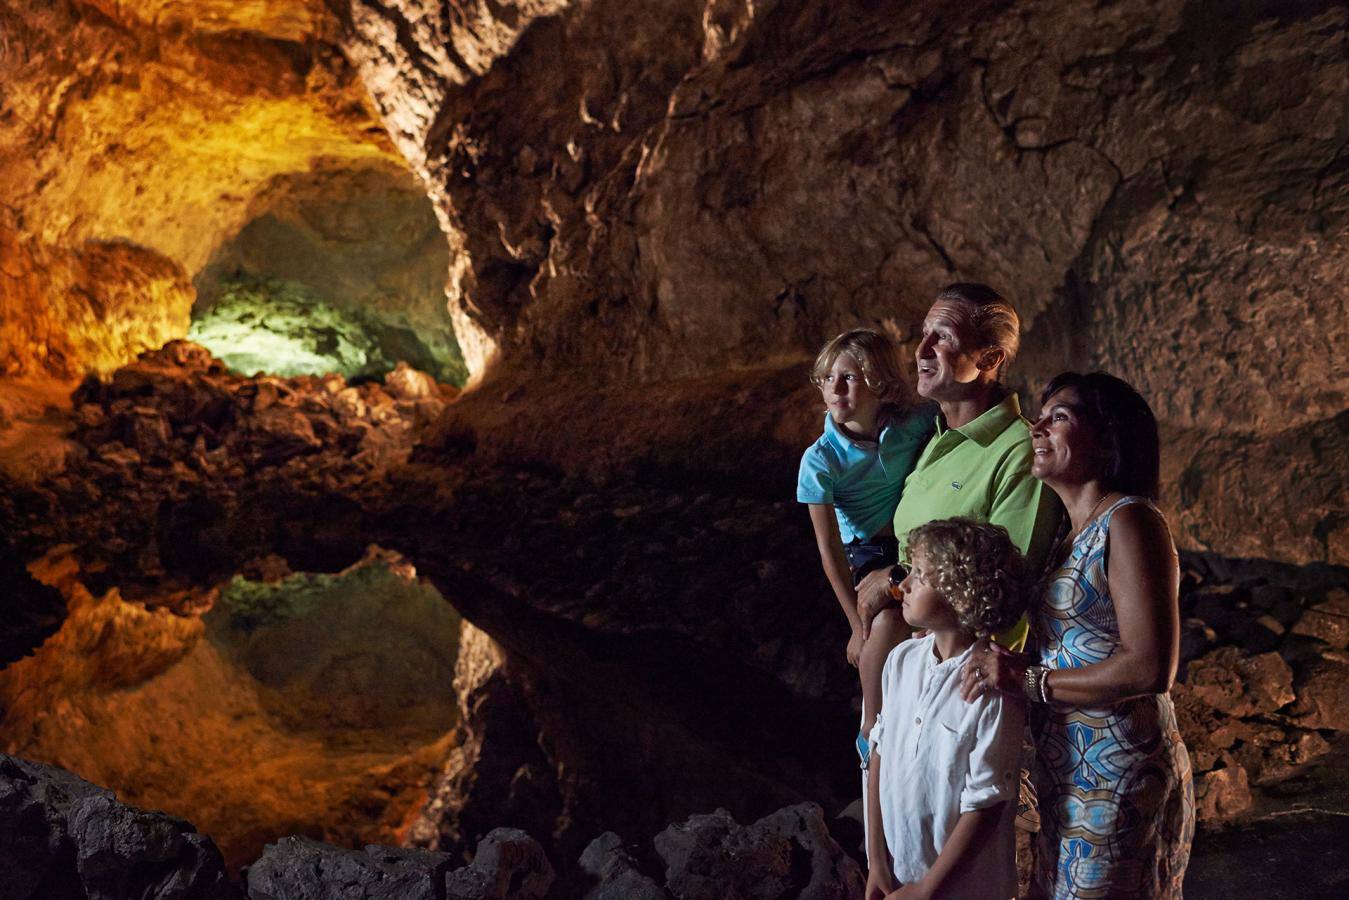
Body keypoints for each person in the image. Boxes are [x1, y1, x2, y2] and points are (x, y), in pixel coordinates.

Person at [962, 372, 1195, 898]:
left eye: (1059, 417)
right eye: (1042, 415)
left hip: (1118, 773)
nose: (1037, 426)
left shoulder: (1129, 521)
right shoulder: (1070, 535)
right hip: (1068, 772)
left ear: (1105, 438)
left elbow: (1151, 666)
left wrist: (1030, 681)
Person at [854, 284, 1060, 745]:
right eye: (924, 334)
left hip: (964, 689)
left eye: (943, 337)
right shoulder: (937, 441)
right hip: (913, 673)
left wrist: (892, 582)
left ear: (989, 359)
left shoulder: (1019, 453)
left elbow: (1005, 585)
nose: (922, 349)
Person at [865, 518, 1027, 900]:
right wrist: (877, 861)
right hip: (904, 876)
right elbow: (880, 752)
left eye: (920, 576)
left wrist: (928, 890)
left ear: (961, 592)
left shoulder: (992, 686)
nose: (901, 585)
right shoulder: (902, 660)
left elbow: (986, 802)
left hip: (967, 889)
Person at [797, 329, 933, 763]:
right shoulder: (820, 460)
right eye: (828, 378)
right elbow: (828, 548)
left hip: (914, 538)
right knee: (888, 620)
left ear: (881, 384)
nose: (835, 389)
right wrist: (856, 625)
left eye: (850, 378)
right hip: (866, 551)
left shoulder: (915, 424)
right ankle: (871, 726)